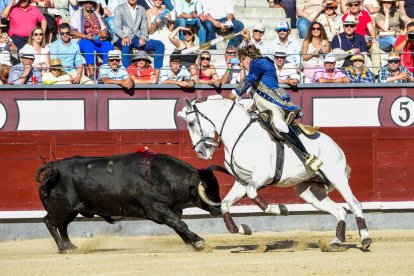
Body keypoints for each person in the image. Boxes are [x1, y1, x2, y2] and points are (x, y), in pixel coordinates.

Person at [234, 45, 321, 172]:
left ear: (247, 58)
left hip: (272, 103)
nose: (241, 65)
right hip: (263, 105)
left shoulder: (258, 63)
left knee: (280, 125)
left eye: (242, 61)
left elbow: (250, 78)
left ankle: (306, 156)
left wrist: (235, 92)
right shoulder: (261, 64)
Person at [113, 0, 165, 71]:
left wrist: (143, 37)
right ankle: (129, 75)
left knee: (159, 45)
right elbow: (117, 28)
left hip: (137, 38)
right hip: (122, 37)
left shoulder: (142, 9)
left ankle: (157, 72)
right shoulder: (119, 8)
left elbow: (143, 27)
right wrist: (124, 36)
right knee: (126, 45)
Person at [70, 0, 114, 77]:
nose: (88, 4)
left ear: (93, 4)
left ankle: (105, 70)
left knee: (109, 46)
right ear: (83, 3)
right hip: (83, 39)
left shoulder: (96, 14)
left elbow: (104, 29)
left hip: (97, 39)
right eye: (86, 2)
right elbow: (71, 31)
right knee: (88, 46)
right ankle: (91, 72)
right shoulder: (77, 14)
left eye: (90, 2)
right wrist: (86, 36)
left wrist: (103, 33)